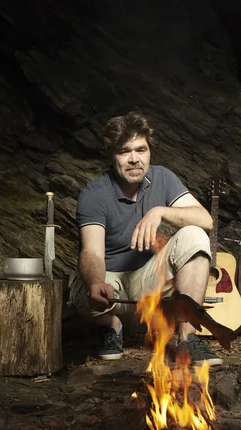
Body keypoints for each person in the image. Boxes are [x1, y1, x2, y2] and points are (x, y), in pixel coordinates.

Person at [69, 111, 222, 365]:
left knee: (195, 234)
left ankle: (187, 338)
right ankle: (112, 325)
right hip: (110, 286)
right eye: (124, 151)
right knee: (83, 290)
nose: (134, 159)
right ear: (111, 155)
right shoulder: (94, 193)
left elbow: (205, 219)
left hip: (148, 282)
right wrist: (96, 281)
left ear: (150, 151)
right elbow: (92, 253)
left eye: (141, 150)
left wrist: (160, 211)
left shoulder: (163, 178)